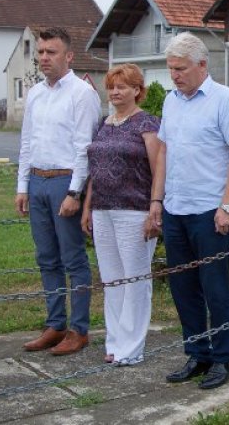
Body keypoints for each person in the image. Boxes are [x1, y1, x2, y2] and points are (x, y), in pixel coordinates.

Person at [148, 32, 229, 390]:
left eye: (181, 69)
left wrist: (227, 206)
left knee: (215, 288)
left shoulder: (226, 100)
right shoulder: (172, 102)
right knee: (183, 288)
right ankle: (197, 353)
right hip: (175, 210)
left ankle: (223, 359)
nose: (174, 76)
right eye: (171, 69)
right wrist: (156, 201)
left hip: (210, 213)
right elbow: (163, 152)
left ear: (202, 65)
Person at [16, 27, 101, 355]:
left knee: (73, 259)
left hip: (65, 182)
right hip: (37, 181)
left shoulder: (82, 93)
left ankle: (79, 330)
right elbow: (27, 142)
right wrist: (23, 185)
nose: (44, 58)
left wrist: (75, 192)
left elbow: (85, 148)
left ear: (69, 56)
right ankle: (55, 325)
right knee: (46, 258)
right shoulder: (36, 93)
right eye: (40, 52)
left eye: (51, 52)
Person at [81, 64, 160, 366]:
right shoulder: (104, 124)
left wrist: (156, 206)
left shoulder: (148, 124)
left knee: (135, 280)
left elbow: (159, 170)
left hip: (134, 210)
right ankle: (114, 342)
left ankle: (132, 347)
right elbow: (94, 171)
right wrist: (88, 207)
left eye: (123, 86)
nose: (115, 92)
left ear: (137, 90)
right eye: (112, 86)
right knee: (112, 280)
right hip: (102, 210)